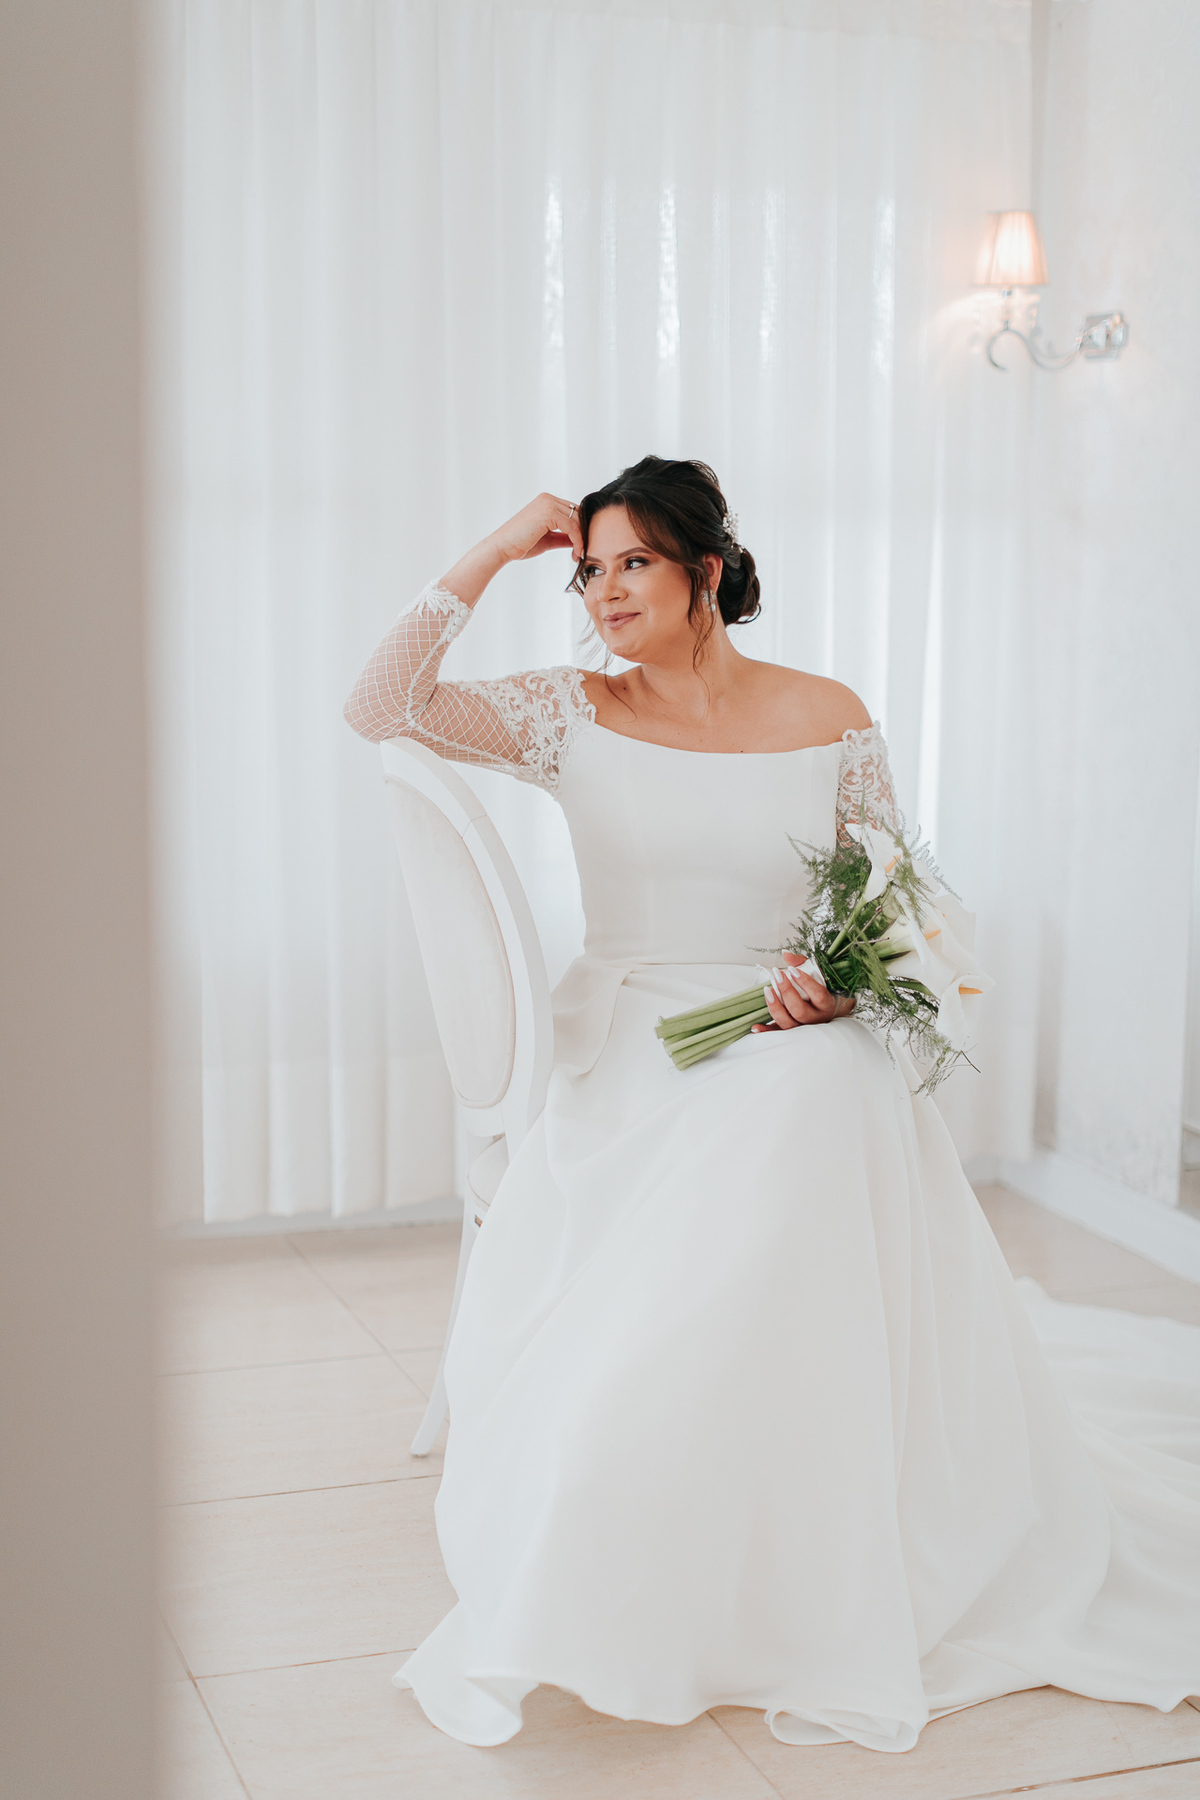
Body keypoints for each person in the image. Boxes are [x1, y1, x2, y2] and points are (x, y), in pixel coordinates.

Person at [344, 456, 1200, 1752]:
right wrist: (500, 545)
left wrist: (840, 989)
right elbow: (379, 705)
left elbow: (897, 897)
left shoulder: (827, 712)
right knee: (801, 1108)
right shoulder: (568, 712)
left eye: (634, 563)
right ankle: (649, 1499)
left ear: (705, 571)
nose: (604, 591)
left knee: (822, 1081)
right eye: (590, 570)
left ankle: (821, 1511)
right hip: (639, 1033)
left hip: (789, 1020)